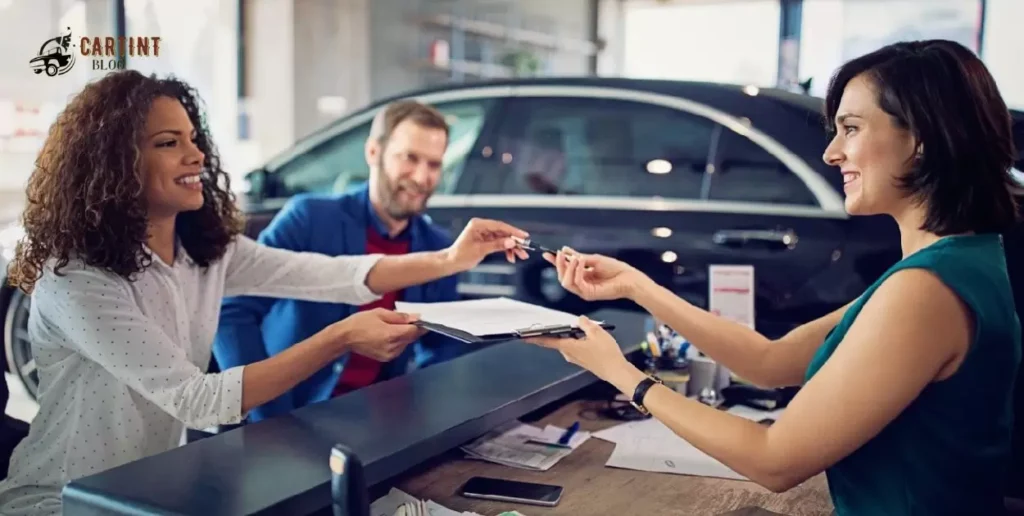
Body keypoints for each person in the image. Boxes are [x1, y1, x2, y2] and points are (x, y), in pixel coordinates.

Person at [526, 39, 1023, 515]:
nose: (831, 153)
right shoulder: (958, 262)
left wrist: (622, 374)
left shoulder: (926, 291)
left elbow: (774, 459)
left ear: (920, 140)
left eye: (850, 128)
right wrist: (638, 286)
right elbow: (771, 360)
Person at [0, 70, 529, 516]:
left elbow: (332, 274)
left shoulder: (204, 253)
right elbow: (198, 398)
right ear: (114, 166)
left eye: (192, 138)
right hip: (61, 502)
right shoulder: (76, 277)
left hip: (147, 491)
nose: (196, 155)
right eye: (169, 143)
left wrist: (450, 258)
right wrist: (340, 336)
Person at [214, 100, 465, 423]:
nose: (421, 177)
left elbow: (441, 349)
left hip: (376, 420)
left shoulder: (439, 249)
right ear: (373, 153)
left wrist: (422, 419)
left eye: (434, 164)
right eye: (410, 158)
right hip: (291, 414)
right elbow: (232, 311)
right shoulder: (309, 218)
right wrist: (264, 414)